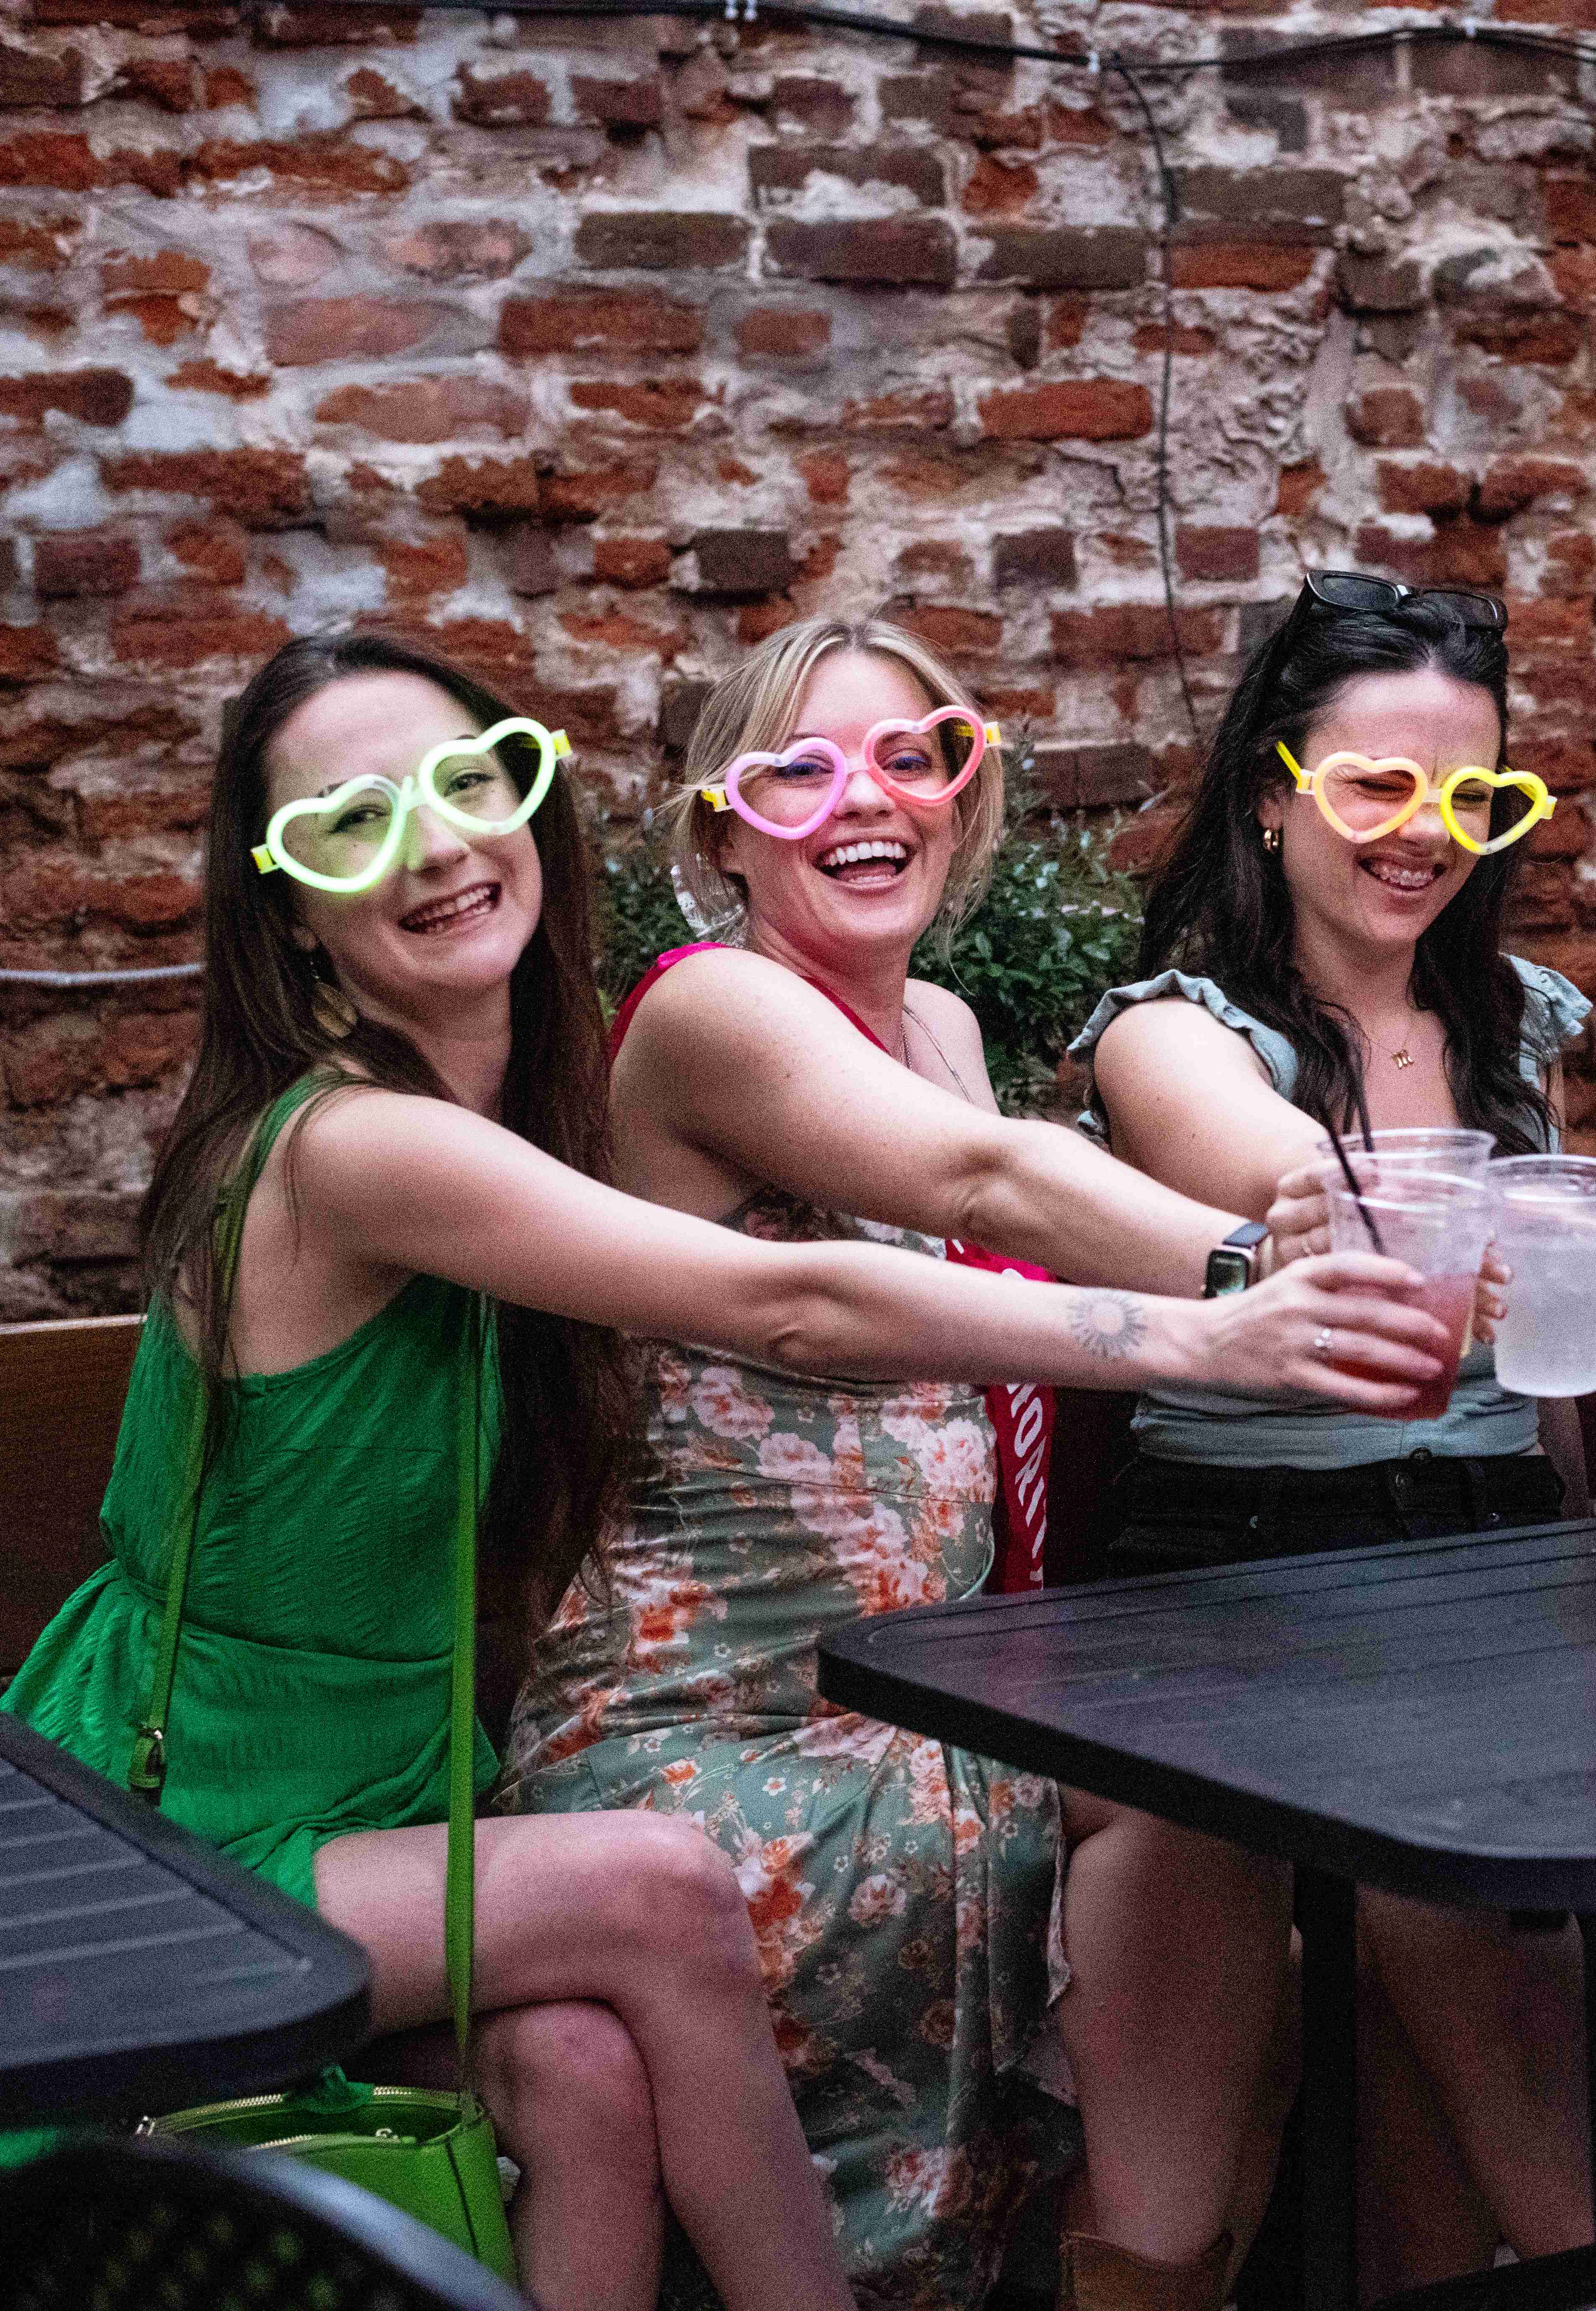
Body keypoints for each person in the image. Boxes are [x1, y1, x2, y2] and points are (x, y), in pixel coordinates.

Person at [0, 631, 1452, 2311]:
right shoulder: (363, 1143)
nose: (433, 844)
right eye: (354, 824)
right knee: (653, 1890)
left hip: (403, 1795)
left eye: (466, 782)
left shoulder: (537, 1095)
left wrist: (1258, 1252)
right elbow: (791, 1301)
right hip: (200, 1813)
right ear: (287, 905)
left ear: (532, 799)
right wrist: (1224, 1316)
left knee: (582, 2060)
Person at [507, 616, 1385, 2310]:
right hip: (717, 1733)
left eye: (917, 755)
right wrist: (1242, 1268)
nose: (871, 797)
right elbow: (983, 1181)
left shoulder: (952, 1028)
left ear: (965, 794)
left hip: (936, 1702)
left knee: (1224, 1807)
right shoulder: (711, 1015)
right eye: (804, 769)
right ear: (721, 830)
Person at [1072, 569, 1594, 2297]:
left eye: (1473, 795)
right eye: (1379, 784)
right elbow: (1276, 1181)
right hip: (1241, 1577)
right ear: (1275, 791)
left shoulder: (1522, 1027)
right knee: (1393, 1901)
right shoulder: (1172, 1034)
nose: (1426, 832)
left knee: (1452, 1998)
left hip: (1498, 1556)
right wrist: (1477, 1224)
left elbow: (1574, 1402)